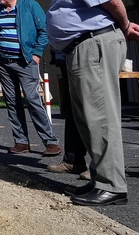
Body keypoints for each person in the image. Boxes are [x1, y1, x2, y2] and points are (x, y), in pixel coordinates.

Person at [36, 0, 139, 207]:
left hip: (93, 44)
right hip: (80, 47)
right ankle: (100, 180)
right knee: (87, 117)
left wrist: (124, 25)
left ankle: (113, 186)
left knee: (100, 116)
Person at [0, 0, 61, 157]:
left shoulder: (30, 5)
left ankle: (50, 142)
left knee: (33, 100)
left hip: (25, 61)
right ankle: (21, 141)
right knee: (12, 102)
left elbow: (44, 31)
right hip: (3, 62)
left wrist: (36, 54)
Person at [46, 48, 90, 180]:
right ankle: (73, 160)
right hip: (65, 55)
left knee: (92, 108)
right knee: (71, 107)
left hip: (84, 52)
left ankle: (102, 167)